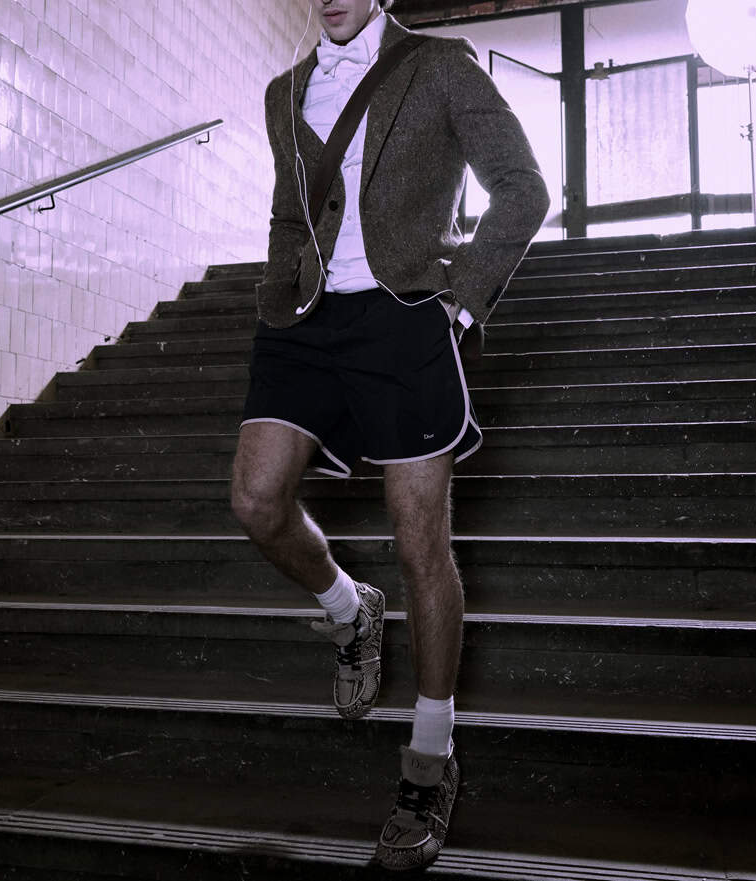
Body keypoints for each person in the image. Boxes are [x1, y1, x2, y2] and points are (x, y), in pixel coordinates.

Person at [230, 0, 548, 870]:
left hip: (404, 314)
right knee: (256, 500)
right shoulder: (283, 92)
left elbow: (522, 186)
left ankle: (430, 758)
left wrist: (462, 303)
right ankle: (349, 608)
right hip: (304, 322)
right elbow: (291, 212)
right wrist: (279, 290)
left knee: (420, 544)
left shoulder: (440, 66)